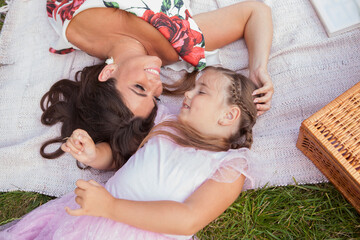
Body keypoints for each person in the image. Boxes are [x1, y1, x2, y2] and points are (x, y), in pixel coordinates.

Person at [1, 67, 258, 239]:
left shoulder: (229, 166)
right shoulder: (163, 123)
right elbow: (119, 156)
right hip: (92, 216)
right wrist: (93, 155)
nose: (188, 93)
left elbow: (189, 219)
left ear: (229, 115)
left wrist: (111, 207)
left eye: (202, 91)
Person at [41, 0, 272, 170]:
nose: (156, 83)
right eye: (155, 97)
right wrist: (258, 68)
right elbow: (255, 12)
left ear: (108, 72)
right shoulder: (178, 42)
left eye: (139, 88)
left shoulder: (68, 23)